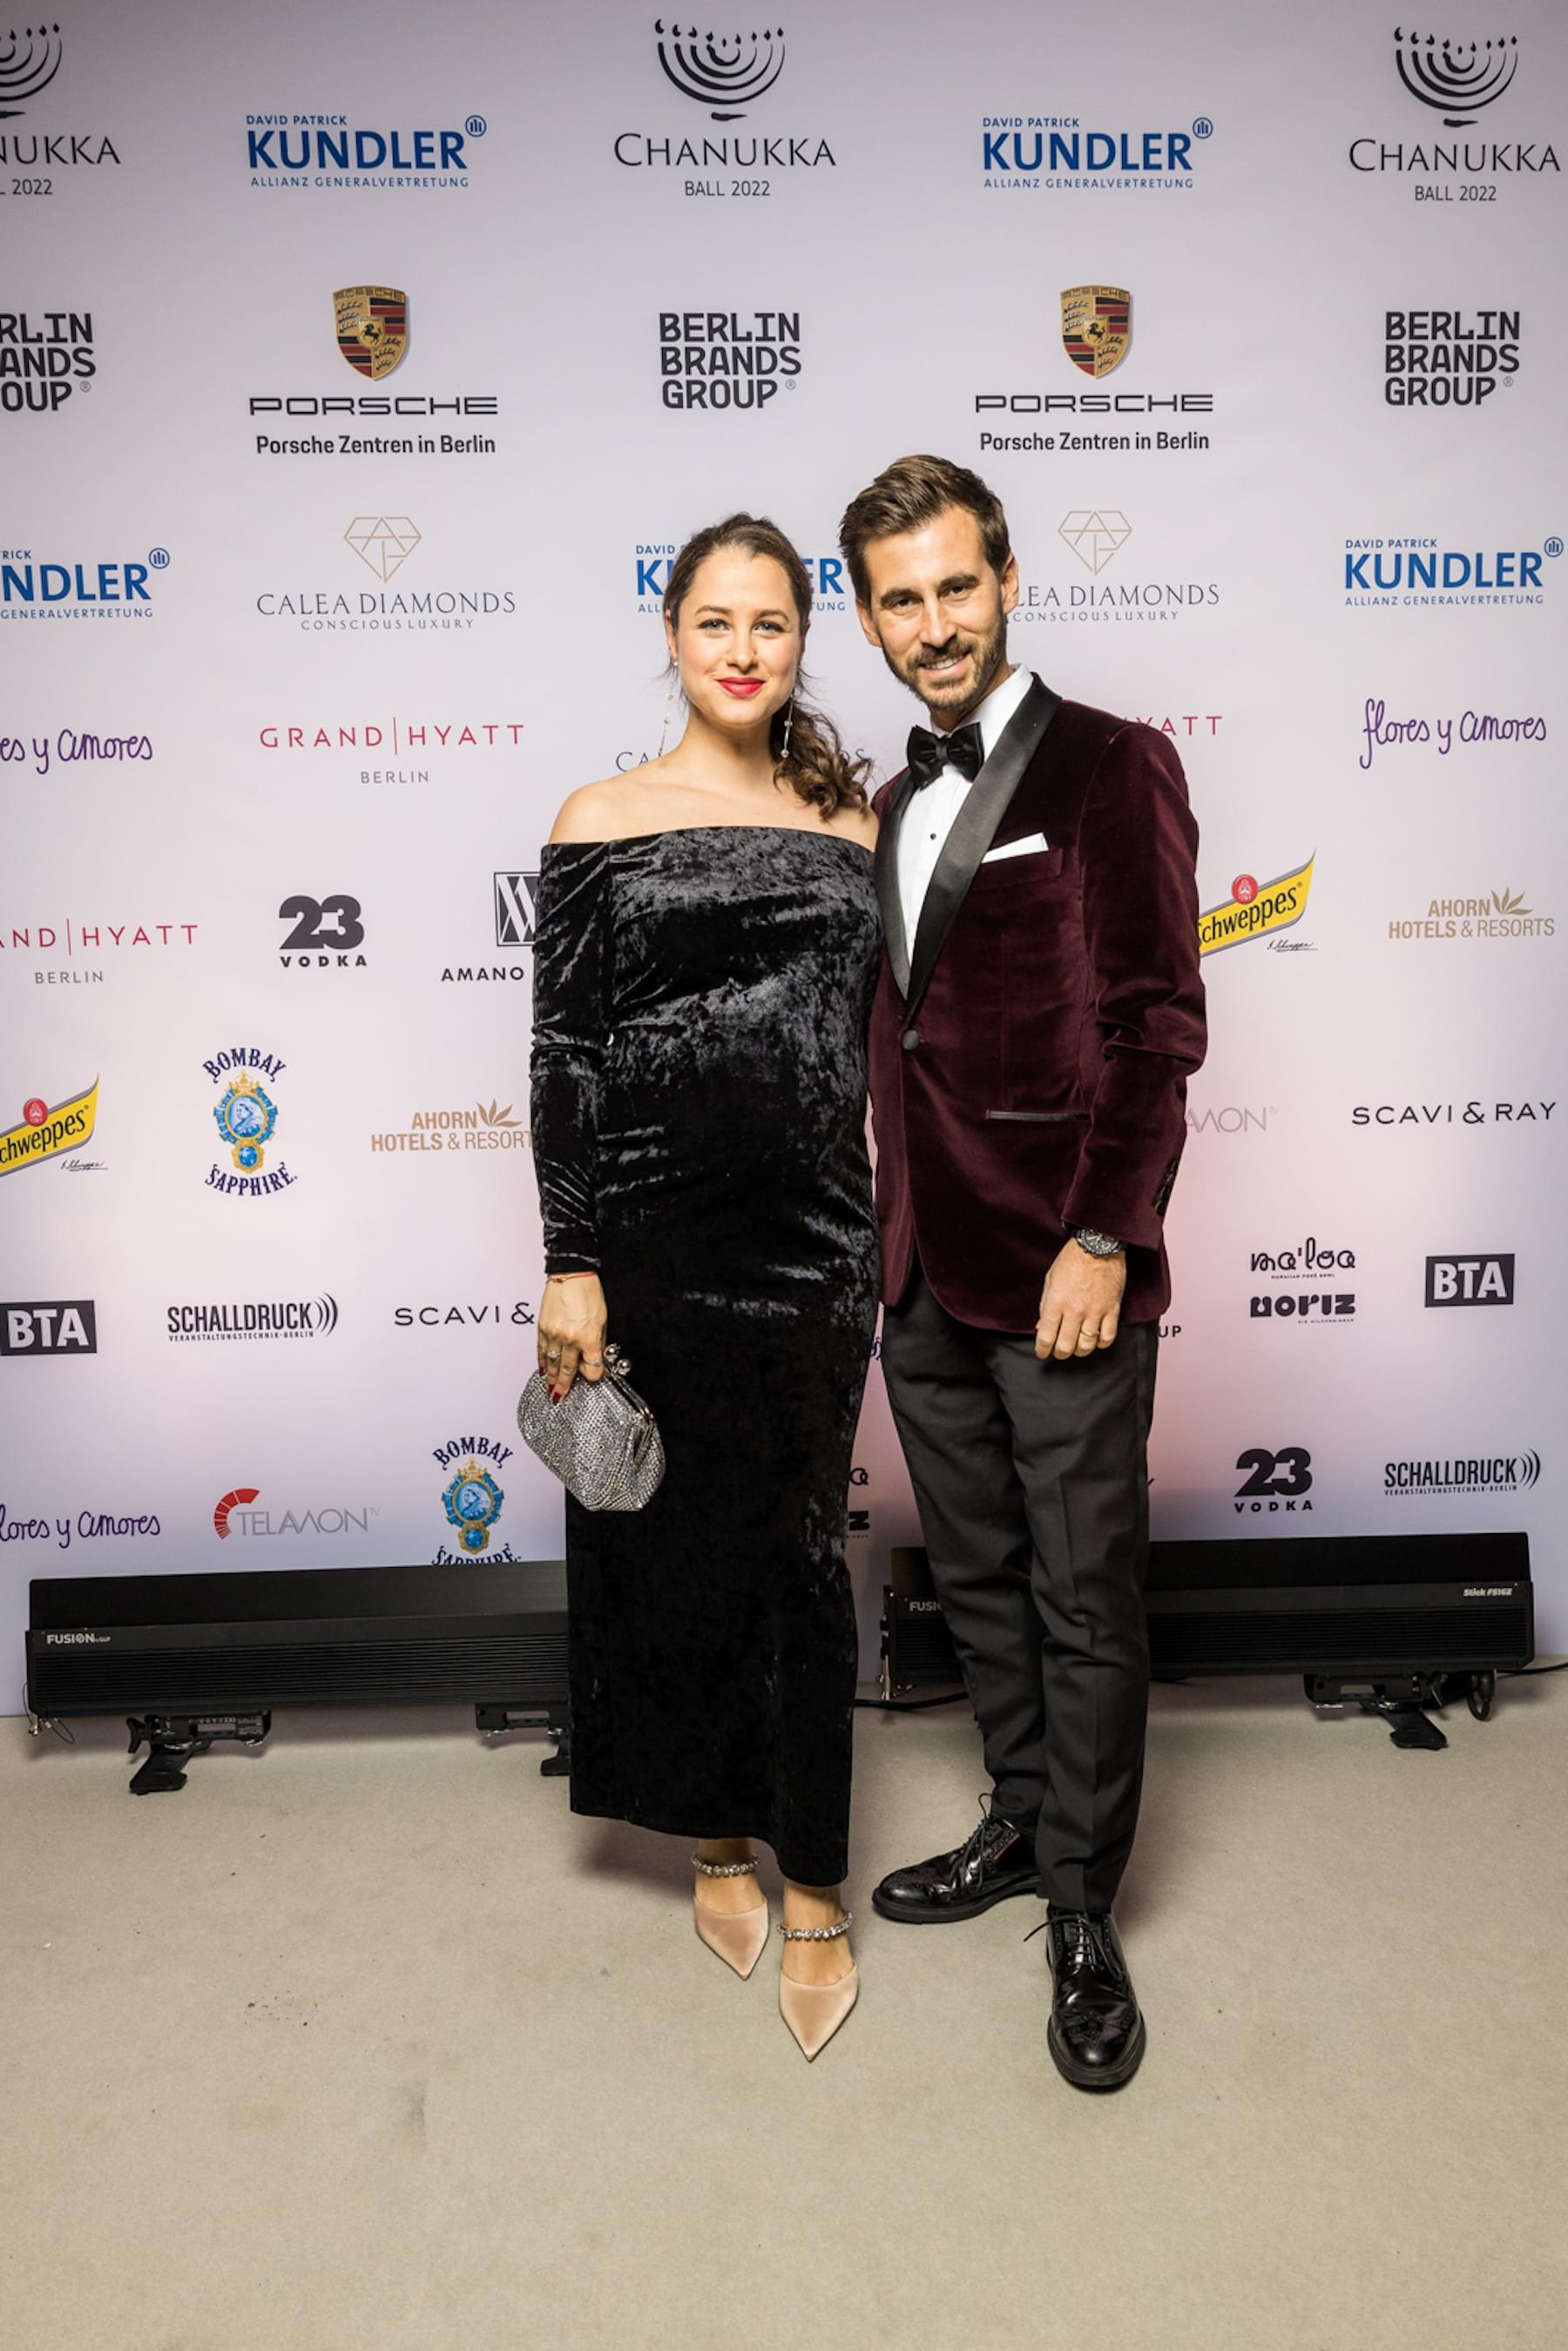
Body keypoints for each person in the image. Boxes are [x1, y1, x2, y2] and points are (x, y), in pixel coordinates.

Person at [838, 455, 1206, 2090]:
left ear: (1006, 582)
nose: (934, 624)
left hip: (1062, 1263)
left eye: (955, 587)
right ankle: (1020, 1813)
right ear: (869, 620)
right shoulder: (890, 799)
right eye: (900, 600)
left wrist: (1106, 1236)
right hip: (919, 1263)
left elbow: (1156, 1027)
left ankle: (1080, 1906)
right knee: (979, 1580)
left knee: (1081, 1593)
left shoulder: (1115, 763)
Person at [529, 513, 880, 2060]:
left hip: (816, 1241)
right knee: (677, 1550)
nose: (743, 651)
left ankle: (818, 1880)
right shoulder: (600, 817)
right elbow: (565, 1060)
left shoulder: (855, 823)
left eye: (772, 624)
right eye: (716, 622)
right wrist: (571, 1260)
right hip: (654, 1241)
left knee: (799, 1555)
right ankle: (720, 1840)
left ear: (804, 642)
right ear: (671, 632)